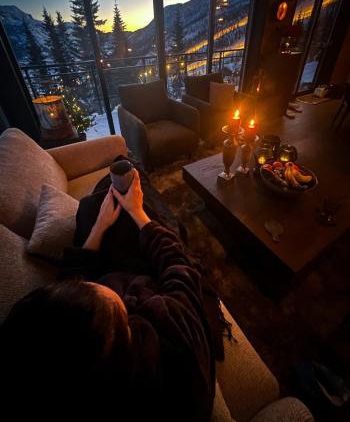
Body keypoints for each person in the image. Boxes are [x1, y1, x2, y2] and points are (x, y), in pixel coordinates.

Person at [1, 170, 215, 421]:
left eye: (86, 285)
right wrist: (138, 213)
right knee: (143, 203)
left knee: (97, 203)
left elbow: (69, 286)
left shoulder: (47, 343)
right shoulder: (176, 358)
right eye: (108, 299)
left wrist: (99, 227)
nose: (85, 283)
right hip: (153, 279)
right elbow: (179, 270)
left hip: (126, 276)